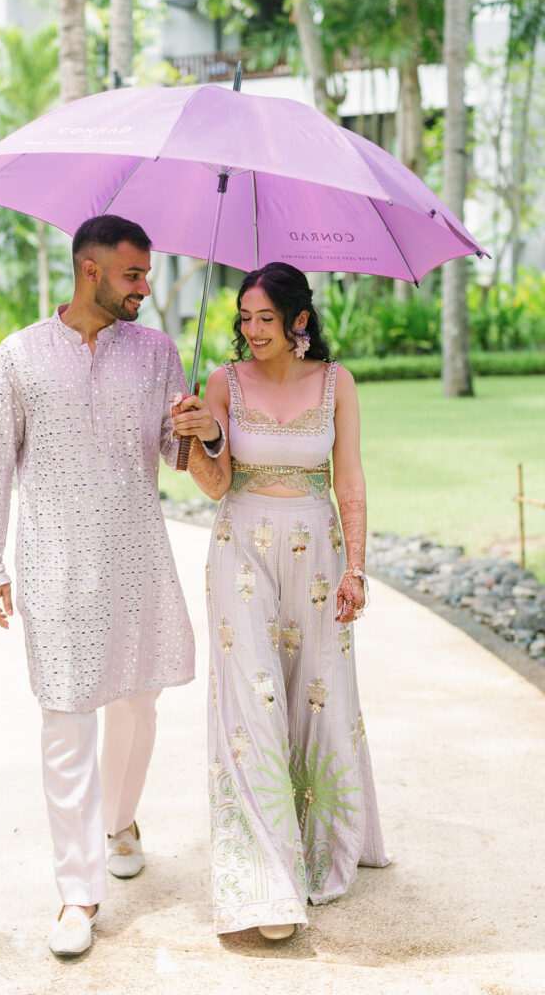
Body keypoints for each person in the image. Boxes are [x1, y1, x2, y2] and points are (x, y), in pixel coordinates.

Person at [0, 215, 223, 958]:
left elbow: (191, 466)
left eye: (146, 274)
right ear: (90, 272)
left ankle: (121, 821)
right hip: (53, 563)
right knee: (66, 719)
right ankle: (77, 893)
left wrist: (197, 429)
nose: (146, 288)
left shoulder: (158, 354)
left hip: (137, 556)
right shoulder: (17, 357)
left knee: (138, 704)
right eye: (134, 276)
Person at [172, 262, 390, 940]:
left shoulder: (337, 383)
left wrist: (356, 567)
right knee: (253, 697)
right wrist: (204, 435)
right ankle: (265, 880)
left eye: (265, 317)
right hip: (241, 549)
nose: (251, 329)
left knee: (318, 691)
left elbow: (348, 480)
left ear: (299, 320)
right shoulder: (222, 383)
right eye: (243, 317)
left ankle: (321, 843)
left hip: (318, 554)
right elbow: (211, 483)